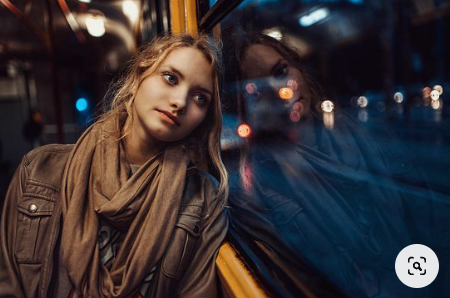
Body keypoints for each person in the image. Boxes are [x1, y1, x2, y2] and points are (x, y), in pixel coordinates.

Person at [0, 34, 229, 298]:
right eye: (170, 78)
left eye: (200, 98)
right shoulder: (40, 169)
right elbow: (8, 284)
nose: (180, 102)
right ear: (139, 76)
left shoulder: (204, 200)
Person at [225, 33, 449, 297]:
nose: (281, 90)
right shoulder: (258, 187)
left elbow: (428, 218)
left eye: (282, 70)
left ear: (299, 69)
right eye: (258, 90)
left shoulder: (363, 135)